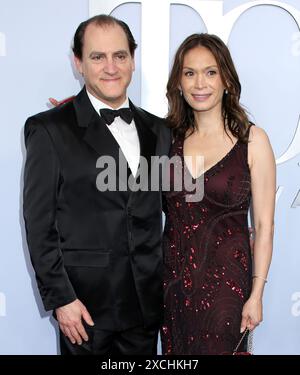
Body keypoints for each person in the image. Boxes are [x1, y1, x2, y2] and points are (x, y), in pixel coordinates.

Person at [23, 14, 171, 355]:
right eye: (97, 57)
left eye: (120, 56)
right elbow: (39, 223)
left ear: (133, 60)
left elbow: (170, 206)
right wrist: (62, 298)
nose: (111, 67)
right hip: (85, 311)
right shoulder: (49, 130)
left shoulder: (160, 132)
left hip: (145, 307)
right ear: (78, 63)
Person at [161, 33, 275, 355]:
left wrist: (256, 294)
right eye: (190, 73)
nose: (200, 83)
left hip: (229, 291)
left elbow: (265, 227)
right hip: (174, 291)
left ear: (226, 78)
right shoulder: (168, 141)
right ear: (179, 83)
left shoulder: (252, 140)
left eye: (210, 72)